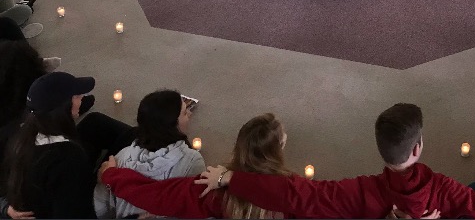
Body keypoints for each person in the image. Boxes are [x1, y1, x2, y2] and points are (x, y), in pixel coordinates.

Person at [192, 103, 475, 219]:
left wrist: (232, 177)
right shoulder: (441, 188)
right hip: (456, 204)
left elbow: (298, 196)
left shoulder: (356, 193)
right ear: (419, 147)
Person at [96, 113, 292, 218]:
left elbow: (156, 194)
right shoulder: (294, 191)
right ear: (278, 151)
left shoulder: (212, 188)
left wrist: (112, 174)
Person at [0, 71, 98, 219]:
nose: (82, 98)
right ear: (63, 108)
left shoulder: (17, 133)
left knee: (96, 122)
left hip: (27, 200)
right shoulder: (70, 159)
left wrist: (4, 208)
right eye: (77, 96)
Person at [93, 90, 205, 218]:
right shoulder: (192, 161)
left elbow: (101, 206)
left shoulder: (122, 157)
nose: (189, 114)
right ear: (173, 126)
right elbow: (197, 207)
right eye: (185, 113)